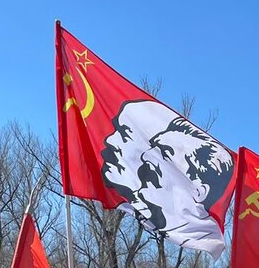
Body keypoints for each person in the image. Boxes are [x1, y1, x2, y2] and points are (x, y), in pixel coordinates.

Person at [100, 99, 235, 256]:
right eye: (154, 148)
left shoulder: (194, 236)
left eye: (164, 152)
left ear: (199, 190)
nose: (146, 156)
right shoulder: (150, 214)